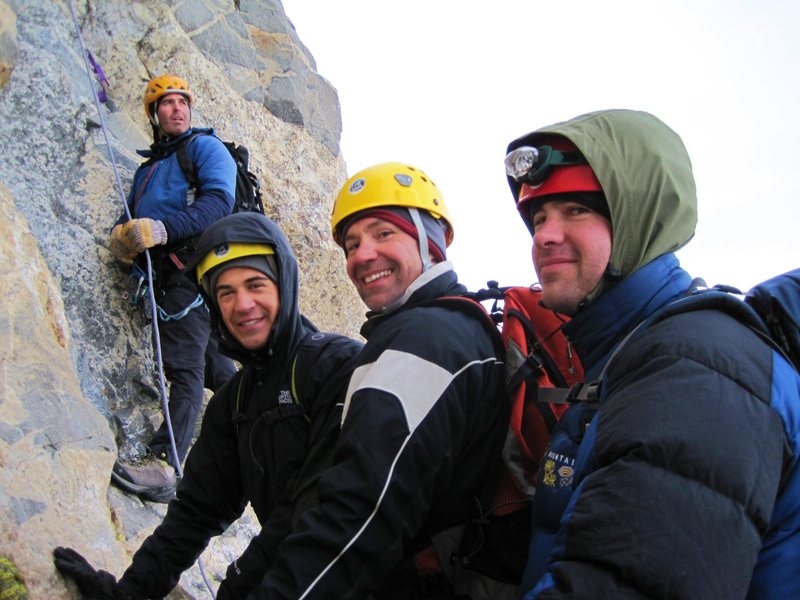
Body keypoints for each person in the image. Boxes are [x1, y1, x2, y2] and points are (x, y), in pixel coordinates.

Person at [502, 109, 800, 598]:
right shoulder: (632, 354)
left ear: (639, 221)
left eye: (576, 210)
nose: (544, 236)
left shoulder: (691, 370)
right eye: (539, 217)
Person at [227, 162, 509, 599]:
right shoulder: (448, 326)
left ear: (430, 242)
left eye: (383, 233)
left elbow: (359, 511)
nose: (362, 256)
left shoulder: (422, 341)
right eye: (351, 244)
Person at [54, 211, 364, 599]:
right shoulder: (234, 404)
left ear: (284, 286)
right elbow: (194, 514)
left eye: (255, 284)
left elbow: (321, 511)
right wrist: (129, 593)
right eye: (226, 292)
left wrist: (237, 585)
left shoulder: (338, 367)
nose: (243, 304)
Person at [109, 74, 238, 502]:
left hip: (193, 272)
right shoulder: (148, 170)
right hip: (168, 280)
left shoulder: (204, 147)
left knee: (184, 368)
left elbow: (220, 203)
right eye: (166, 103)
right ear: (154, 114)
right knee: (221, 372)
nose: (177, 108)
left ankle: (167, 466)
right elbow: (133, 220)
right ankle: (263, 428)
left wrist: (162, 230)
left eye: (182, 101)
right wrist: (122, 238)